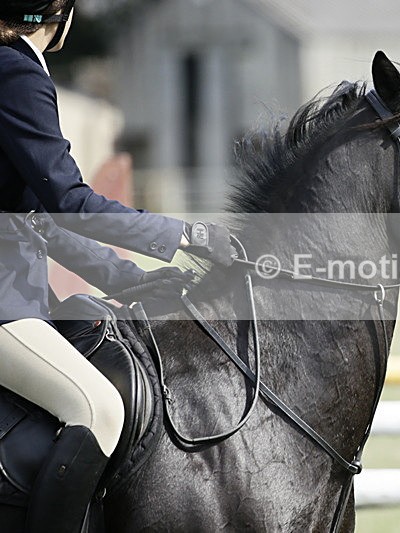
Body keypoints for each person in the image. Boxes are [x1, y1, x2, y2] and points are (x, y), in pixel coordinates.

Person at [0, 1, 237, 531]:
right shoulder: (16, 72)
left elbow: (33, 219)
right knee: (99, 410)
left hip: (15, 289)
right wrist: (186, 234)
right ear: (61, 14)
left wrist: (130, 279)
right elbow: (68, 202)